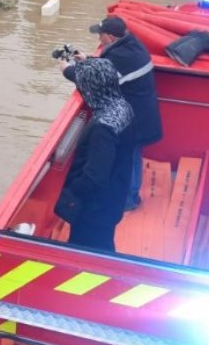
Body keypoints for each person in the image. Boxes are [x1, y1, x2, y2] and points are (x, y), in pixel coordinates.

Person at [64, 16, 163, 211]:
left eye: (100, 35)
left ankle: (128, 201)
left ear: (109, 37)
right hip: (142, 114)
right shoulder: (132, 46)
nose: (98, 39)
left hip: (133, 119)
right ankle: (130, 197)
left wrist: (68, 70)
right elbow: (109, 67)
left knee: (128, 157)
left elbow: (96, 81)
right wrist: (88, 59)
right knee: (133, 155)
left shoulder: (120, 57)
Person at [54, 58, 134, 252]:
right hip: (114, 197)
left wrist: (72, 191)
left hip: (94, 209)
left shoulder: (102, 129)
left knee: (85, 251)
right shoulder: (122, 107)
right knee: (104, 246)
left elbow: (95, 176)